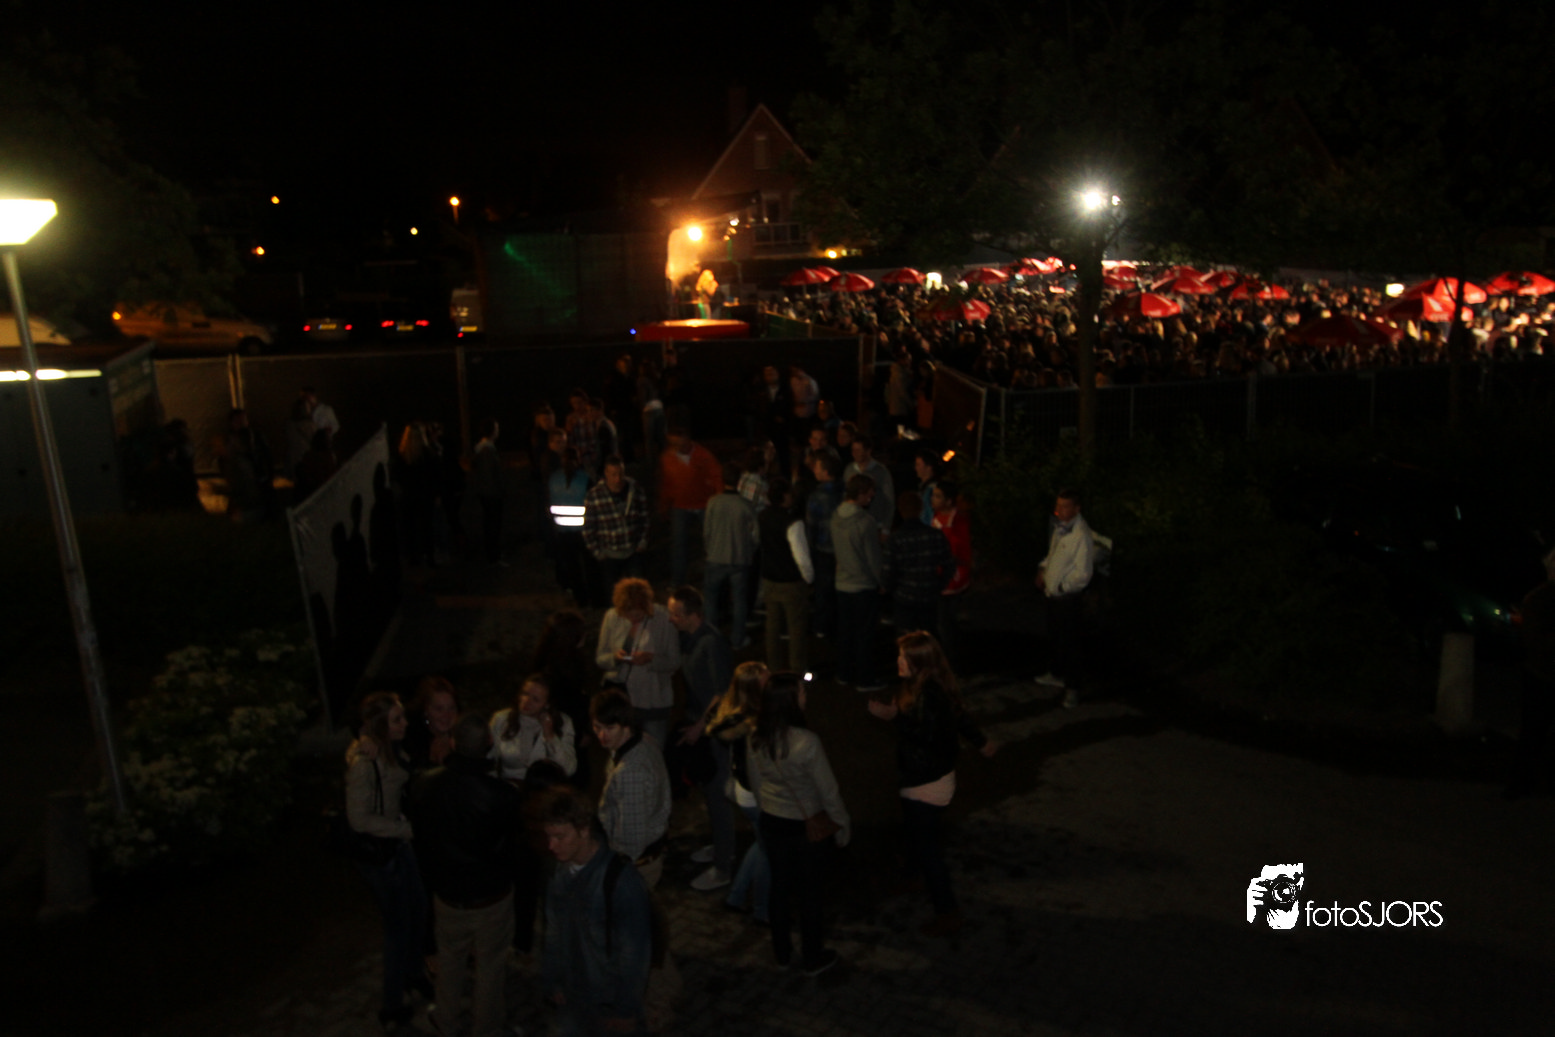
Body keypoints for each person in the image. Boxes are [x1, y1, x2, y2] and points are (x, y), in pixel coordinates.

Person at [866, 632, 998, 937]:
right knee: (915, 831)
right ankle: (913, 875)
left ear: (918, 662)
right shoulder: (926, 686)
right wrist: (982, 743)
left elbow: (925, 735)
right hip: (925, 777)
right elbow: (960, 717)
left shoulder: (929, 695)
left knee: (928, 849)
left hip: (925, 781)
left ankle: (947, 912)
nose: (898, 662)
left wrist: (893, 717)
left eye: (903, 658)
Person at [406, 713, 524, 1037]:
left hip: (448, 895)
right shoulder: (502, 795)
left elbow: (421, 838)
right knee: (490, 965)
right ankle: (486, 1027)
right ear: (489, 743)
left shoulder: (425, 784)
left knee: (450, 958)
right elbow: (513, 845)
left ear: (453, 743)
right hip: (491, 898)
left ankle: (446, 1019)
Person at [745, 672, 850, 976]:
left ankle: (781, 952)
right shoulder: (807, 742)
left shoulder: (756, 736)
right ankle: (812, 956)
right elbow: (828, 791)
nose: (806, 696)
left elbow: (756, 782)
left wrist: (768, 810)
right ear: (790, 701)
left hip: (773, 821)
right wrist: (842, 824)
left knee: (779, 888)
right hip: (805, 827)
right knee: (809, 893)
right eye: (801, 692)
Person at [345, 692, 427, 1033]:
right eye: (396, 720)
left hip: (398, 844)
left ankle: (413, 973)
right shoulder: (365, 763)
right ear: (380, 726)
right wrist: (403, 829)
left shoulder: (391, 747)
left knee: (418, 909)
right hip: (381, 853)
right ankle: (391, 1005)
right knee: (397, 927)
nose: (404, 723)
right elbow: (358, 819)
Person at [540, 788, 653, 1037]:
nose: (551, 845)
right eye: (548, 836)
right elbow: (553, 932)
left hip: (607, 1002)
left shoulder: (621, 881)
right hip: (571, 997)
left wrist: (625, 1009)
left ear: (584, 830)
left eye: (560, 837)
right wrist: (553, 980)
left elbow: (634, 954)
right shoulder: (558, 872)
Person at [666, 587, 735, 893]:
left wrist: (699, 726)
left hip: (713, 732)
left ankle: (724, 866)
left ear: (693, 616)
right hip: (701, 725)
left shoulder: (712, 644)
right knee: (710, 791)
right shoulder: (690, 638)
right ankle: (721, 846)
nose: (671, 619)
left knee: (718, 795)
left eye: (676, 614)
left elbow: (723, 692)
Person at [591, 689, 673, 889]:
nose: (602, 735)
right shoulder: (643, 739)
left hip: (636, 867)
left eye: (610, 728)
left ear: (625, 725)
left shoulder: (629, 772)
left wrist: (612, 867)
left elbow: (631, 840)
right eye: (597, 727)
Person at [712, 661, 771, 924]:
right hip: (755, 794)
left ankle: (736, 896)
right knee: (769, 853)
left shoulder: (734, 711)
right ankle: (762, 909)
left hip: (743, 790)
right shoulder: (752, 720)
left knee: (761, 843)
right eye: (766, 679)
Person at [594, 578, 681, 750]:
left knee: (654, 750)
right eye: (628, 615)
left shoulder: (663, 619)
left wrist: (651, 659)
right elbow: (600, 658)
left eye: (638, 614)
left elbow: (674, 661)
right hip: (622, 700)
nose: (633, 619)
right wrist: (615, 658)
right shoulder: (612, 617)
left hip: (653, 700)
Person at [1033, 488, 1095, 708]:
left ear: (1077, 509)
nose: (1059, 510)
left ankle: (1073, 688)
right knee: (1056, 638)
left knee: (1071, 644)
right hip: (1054, 595)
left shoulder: (1081, 536)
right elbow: (1053, 555)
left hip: (1067, 599)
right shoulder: (1061, 528)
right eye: (1058, 505)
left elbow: (1083, 574)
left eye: (1065, 506)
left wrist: (1061, 587)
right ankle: (1057, 674)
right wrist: (1043, 569)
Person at [832, 473, 886, 690]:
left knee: (845, 631)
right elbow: (873, 558)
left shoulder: (835, 517)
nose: (871, 497)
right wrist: (881, 581)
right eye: (869, 494)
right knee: (865, 634)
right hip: (863, 585)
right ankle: (865, 678)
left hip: (842, 582)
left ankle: (843, 672)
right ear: (861, 493)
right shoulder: (865, 522)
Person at [701, 461, 760, 648]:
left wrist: (709, 549)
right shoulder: (745, 505)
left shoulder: (713, 502)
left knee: (711, 600)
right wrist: (749, 550)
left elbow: (707, 531)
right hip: (739, 559)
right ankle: (737, 638)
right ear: (739, 481)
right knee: (739, 601)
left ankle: (711, 638)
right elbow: (755, 535)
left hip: (716, 557)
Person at [759, 477, 814, 674]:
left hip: (770, 579)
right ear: (784, 496)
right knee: (796, 627)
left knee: (772, 626)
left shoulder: (763, 516)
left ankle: (773, 667)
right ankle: (797, 669)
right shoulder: (793, 522)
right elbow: (801, 556)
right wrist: (809, 578)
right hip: (791, 582)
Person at [658, 427, 723, 587]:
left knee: (710, 543)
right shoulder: (668, 458)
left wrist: (718, 502)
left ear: (687, 438)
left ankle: (713, 580)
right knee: (678, 545)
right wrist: (664, 506)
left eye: (678, 443)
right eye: (673, 444)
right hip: (680, 505)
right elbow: (666, 484)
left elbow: (717, 478)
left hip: (703, 504)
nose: (676, 447)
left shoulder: (703, 455)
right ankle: (678, 582)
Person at [582, 455, 650, 605]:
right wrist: (597, 552)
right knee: (614, 596)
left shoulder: (635, 490)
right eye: (613, 474)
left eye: (620, 474)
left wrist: (642, 542)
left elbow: (644, 517)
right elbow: (588, 527)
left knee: (638, 592)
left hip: (633, 551)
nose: (618, 479)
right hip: (609, 554)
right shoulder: (595, 495)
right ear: (606, 474)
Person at [887, 491, 953, 638]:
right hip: (928, 596)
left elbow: (888, 571)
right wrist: (938, 585)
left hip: (904, 597)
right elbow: (949, 565)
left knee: (906, 638)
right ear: (920, 509)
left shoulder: (896, 539)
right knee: (929, 636)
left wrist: (892, 589)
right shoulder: (935, 535)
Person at [490, 673, 578, 782]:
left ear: (547, 704)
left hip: (544, 787)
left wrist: (550, 736)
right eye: (525, 694)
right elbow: (489, 758)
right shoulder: (501, 719)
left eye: (535, 699)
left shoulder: (563, 722)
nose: (527, 701)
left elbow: (568, 769)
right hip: (509, 785)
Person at [930, 480, 973, 665]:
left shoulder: (957, 521)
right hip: (941, 575)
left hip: (953, 576)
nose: (933, 500)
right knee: (943, 620)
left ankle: (951, 660)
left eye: (938, 496)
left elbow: (961, 551)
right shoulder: (937, 519)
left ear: (948, 501)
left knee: (948, 621)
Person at [805, 451, 844, 639]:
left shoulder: (817, 496)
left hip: (823, 548)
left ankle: (822, 626)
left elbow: (811, 525)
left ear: (826, 472)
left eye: (818, 467)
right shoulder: (844, 491)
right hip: (842, 548)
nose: (814, 470)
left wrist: (809, 548)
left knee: (823, 590)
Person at [549, 446, 592, 600]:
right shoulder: (585, 478)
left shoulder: (554, 479)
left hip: (561, 529)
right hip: (583, 529)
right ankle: (591, 595)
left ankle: (576, 593)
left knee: (571, 563)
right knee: (588, 564)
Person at [402, 676, 461, 774]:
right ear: (426, 710)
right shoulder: (411, 740)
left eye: (451, 708)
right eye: (439, 709)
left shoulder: (463, 740)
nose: (446, 715)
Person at [843, 434, 896, 533]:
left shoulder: (881, 472)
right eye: (853, 450)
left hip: (875, 523)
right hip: (854, 524)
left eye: (858, 450)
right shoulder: (849, 470)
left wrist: (886, 528)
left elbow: (889, 501)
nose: (854, 453)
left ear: (868, 451)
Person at [471, 418, 506, 567]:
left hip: (487, 492)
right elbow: (489, 475)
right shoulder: (487, 450)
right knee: (493, 524)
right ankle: (493, 556)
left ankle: (492, 554)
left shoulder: (483, 448)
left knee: (490, 524)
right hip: (491, 494)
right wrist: (496, 491)